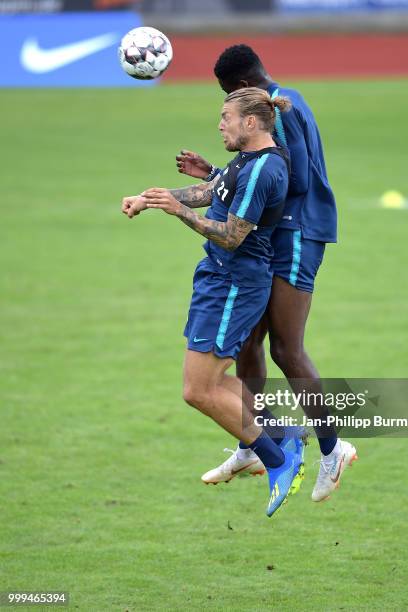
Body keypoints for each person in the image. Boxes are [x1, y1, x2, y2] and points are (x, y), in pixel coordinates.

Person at [176, 44, 357, 503]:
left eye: (226, 101)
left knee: (287, 349)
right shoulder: (278, 100)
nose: (226, 118)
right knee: (246, 342)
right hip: (277, 235)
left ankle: (333, 448)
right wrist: (219, 175)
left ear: (242, 89)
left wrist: (218, 180)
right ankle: (254, 442)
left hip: (299, 233)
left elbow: (285, 178)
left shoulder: (285, 106)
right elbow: (264, 174)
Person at [121, 87, 304, 517]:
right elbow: (212, 193)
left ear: (251, 123)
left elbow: (234, 235)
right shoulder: (247, 160)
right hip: (218, 279)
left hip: (234, 283)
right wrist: (151, 198)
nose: (220, 125)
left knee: (198, 389)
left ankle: (279, 460)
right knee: (214, 382)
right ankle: (283, 434)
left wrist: (175, 212)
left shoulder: (265, 168)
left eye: (226, 117)